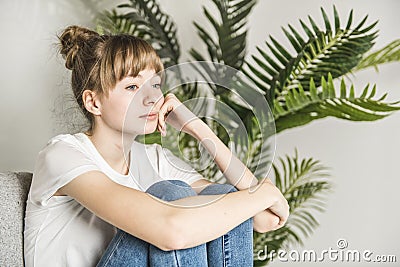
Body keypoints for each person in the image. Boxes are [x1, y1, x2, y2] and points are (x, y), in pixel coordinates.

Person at [23, 25, 289, 267]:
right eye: (132, 87)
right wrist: (265, 193)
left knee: (221, 194)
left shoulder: (154, 158)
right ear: (94, 103)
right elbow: (171, 232)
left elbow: (263, 218)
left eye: (155, 85)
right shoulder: (62, 154)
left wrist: (198, 127)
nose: (152, 97)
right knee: (169, 196)